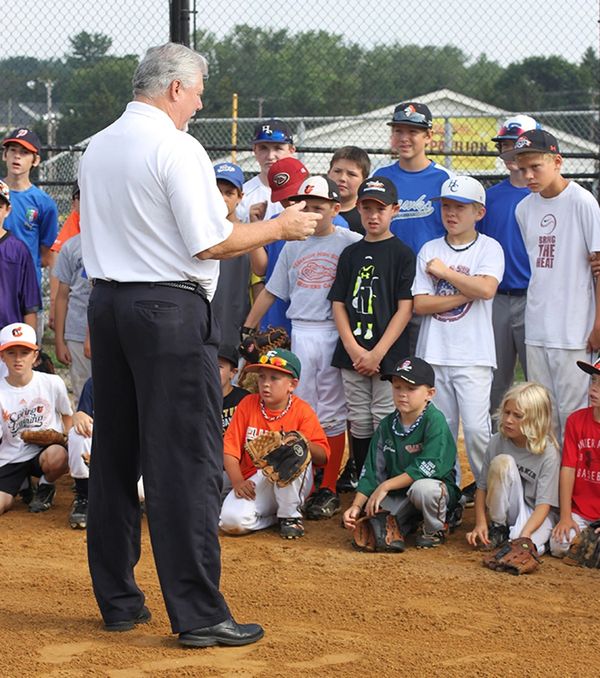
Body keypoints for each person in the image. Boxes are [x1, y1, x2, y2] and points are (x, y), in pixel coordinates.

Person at [78, 42, 320, 648]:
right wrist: (282, 227)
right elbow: (209, 242)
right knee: (184, 460)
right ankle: (199, 614)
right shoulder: (176, 146)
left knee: (115, 455)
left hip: (109, 306)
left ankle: (118, 601)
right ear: (176, 88)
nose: (203, 101)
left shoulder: (98, 145)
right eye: (201, 89)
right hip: (165, 309)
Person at [243, 176, 362, 519]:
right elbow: (271, 290)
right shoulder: (293, 244)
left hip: (335, 332)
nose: (311, 213)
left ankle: (327, 487)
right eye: (305, 206)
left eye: (318, 207)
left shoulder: (350, 242)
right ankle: (303, 480)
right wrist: (248, 326)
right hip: (301, 331)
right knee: (303, 408)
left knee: (334, 412)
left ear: (335, 209)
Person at [412, 176, 504, 498]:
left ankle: (487, 495)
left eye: (460, 208)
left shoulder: (489, 248)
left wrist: (447, 274)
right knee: (443, 431)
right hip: (435, 353)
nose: (451, 213)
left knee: (478, 431)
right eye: (446, 206)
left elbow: (487, 288)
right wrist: (467, 293)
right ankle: (447, 494)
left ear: (478, 212)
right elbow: (421, 304)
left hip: (474, 355)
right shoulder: (430, 249)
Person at [510, 129, 600, 440]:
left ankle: (573, 487)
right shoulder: (524, 209)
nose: (528, 175)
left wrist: (598, 322)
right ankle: (548, 486)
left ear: (557, 161)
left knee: (573, 414)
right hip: (537, 327)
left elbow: (598, 267)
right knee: (543, 415)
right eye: (523, 169)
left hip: (573, 328)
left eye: (536, 166)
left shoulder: (582, 201)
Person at [328, 176, 415, 474]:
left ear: (395, 209)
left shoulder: (403, 254)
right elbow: (338, 302)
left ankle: (383, 478)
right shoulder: (350, 253)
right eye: (367, 208)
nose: (373, 216)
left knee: (383, 415)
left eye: (380, 209)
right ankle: (361, 476)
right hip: (353, 352)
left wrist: (377, 353)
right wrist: (354, 349)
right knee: (359, 417)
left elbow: (405, 308)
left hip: (386, 354)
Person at [342, 356, 460, 550]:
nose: (402, 394)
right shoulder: (387, 424)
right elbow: (372, 471)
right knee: (378, 523)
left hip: (434, 489)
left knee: (424, 490)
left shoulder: (434, 421)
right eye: (397, 387)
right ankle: (412, 520)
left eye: (411, 389)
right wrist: (355, 507)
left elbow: (426, 468)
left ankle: (436, 527)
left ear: (429, 394)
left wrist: (386, 486)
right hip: (399, 492)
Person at [219, 348, 329, 538]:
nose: (265, 384)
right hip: (256, 480)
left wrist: (302, 442)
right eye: (262, 377)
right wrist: (237, 481)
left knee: (293, 450)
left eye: (274, 378)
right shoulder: (247, 404)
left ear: (292, 385)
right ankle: (274, 519)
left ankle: (290, 516)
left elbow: (323, 456)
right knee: (231, 522)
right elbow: (230, 450)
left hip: (291, 485)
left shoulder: (302, 411)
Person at [478, 116, 539, 416]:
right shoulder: (491, 197)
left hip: (534, 297)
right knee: (497, 377)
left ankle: (539, 442)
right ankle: (496, 443)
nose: (510, 152)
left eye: (516, 144)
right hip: (497, 298)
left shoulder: (542, 195)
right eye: (504, 145)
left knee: (536, 377)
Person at [466, 382, 560, 555]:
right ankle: (499, 527)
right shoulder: (497, 441)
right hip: (510, 509)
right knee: (503, 462)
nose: (509, 420)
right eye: (507, 412)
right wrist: (480, 522)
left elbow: (544, 505)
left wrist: (525, 535)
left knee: (522, 545)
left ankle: (533, 540)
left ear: (536, 419)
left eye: (518, 415)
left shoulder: (548, 452)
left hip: (537, 512)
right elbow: (481, 488)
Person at [0, 322, 72, 517]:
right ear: (2, 357)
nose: (18, 359)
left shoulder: (52, 383)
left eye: (24, 353)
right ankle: (22, 484)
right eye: (11, 353)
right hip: (10, 458)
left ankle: (45, 486)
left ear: (35, 356)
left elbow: (67, 415)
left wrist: (67, 440)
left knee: (59, 456)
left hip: (43, 453)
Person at [2, 128, 59, 334]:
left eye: (25, 152)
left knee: (23, 356)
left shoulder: (44, 203)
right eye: (13, 150)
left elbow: (46, 255)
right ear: (4, 155)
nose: (17, 156)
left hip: (26, 294)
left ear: (35, 160)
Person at [250, 157, 310, 335]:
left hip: (313, 317)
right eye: (284, 198)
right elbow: (261, 269)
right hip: (276, 312)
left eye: (294, 195)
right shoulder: (275, 224)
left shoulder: (332, 224)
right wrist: (255, 225)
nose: (290, 202)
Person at [550, 358, 600, 557]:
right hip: (580, 510)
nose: (594, 388)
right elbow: (568, 468)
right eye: (594, 381)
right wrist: (565, 516)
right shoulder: (576, 420)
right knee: (559, 546)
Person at [211, 163, 251, 346]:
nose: (222, 198)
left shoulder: (250, 232)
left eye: (229, 193)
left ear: (240, 196)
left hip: (234, 320)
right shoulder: (197, 230)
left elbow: (260, 277)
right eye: (217, 191)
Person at [53, 232, 92, 401]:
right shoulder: (71, 246)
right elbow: (62, 296)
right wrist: (59, 341)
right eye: (80, 202)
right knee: (82, 392)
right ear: (75, 205)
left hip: (110, 330)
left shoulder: (116, 240)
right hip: (77, 330)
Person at [236, 118, 296, 224]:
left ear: (291, 151)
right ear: (255, 151)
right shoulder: (243, 196)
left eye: (278, 148)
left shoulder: (305, 190)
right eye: (263, 148)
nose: (270, 156)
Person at [0, 180, 41, 329]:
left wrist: (30, 341)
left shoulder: (18, 250)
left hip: (9, 336)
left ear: (7, 210)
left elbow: (29, 304)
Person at [49, 182, 81, 329]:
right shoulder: (76, 217)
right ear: (74, 203)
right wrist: (54, 303)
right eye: (80, 197)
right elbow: (58, 255)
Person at [67, 376, 94, 529]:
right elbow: (84, 416)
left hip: (140, 454)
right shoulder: (95, 382)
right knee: (78, 433)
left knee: (140, 492)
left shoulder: (145, 380)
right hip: (109, 446)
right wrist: (79, 415)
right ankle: (84, 496)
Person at [327, 146, 371, 235]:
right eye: (337, 171)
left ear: (364, 181)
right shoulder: (314, 209)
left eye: (351, 174)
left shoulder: (367, 218)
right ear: (328, 173)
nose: (342, 178)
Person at [219, 344, 249, 435]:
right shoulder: (194, 399)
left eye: (219, 366)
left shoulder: (245, 400)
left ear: (233, 373)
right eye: (209, 364)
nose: (212, 370)